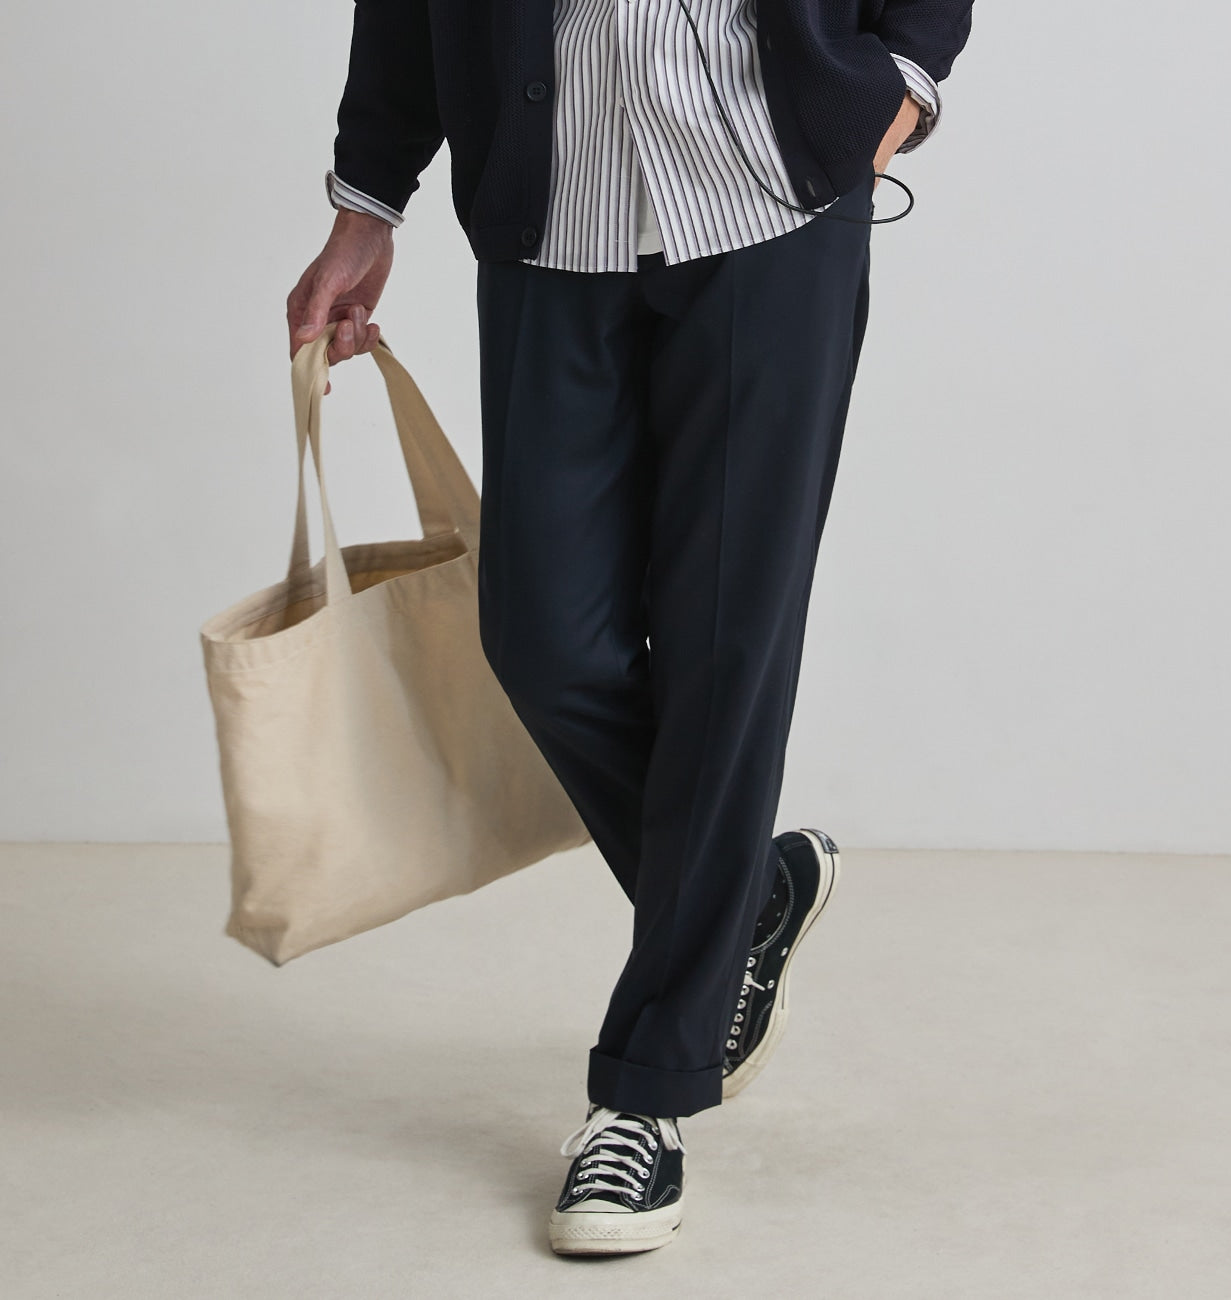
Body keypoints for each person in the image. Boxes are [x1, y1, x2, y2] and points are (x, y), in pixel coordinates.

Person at [288, 0, 973, 1257]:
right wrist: (365, 204)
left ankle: (644, 1097)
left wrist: (901, 84)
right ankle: (747, 897)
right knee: (542, 639)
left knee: (722, 648)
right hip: (552, 207)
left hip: (771, 197)